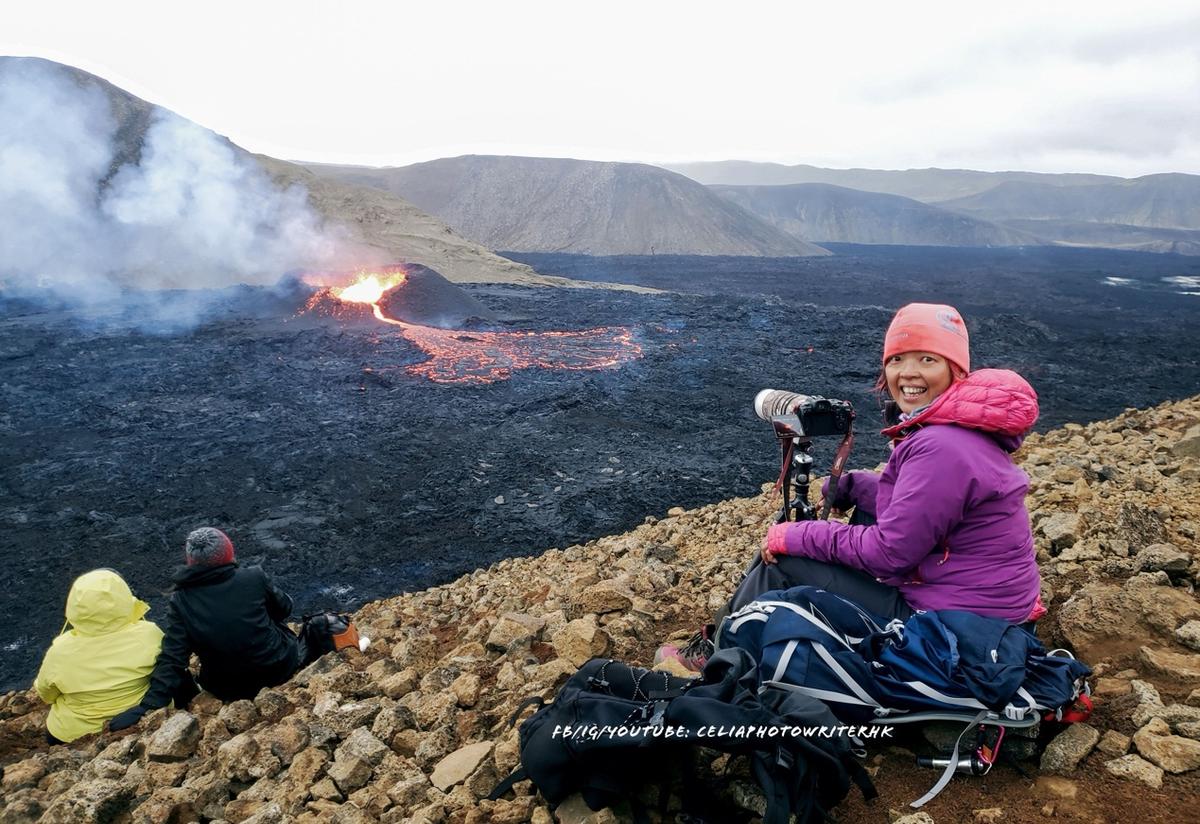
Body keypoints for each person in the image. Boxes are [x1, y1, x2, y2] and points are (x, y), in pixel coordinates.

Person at [659, 302, 1044, 671]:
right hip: (983, 610)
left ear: (955, 370)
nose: (908, 372)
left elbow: (890, 553)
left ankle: (714, 660)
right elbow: (926, 505)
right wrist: (856, 486)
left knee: (784, 565)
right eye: (897, 359)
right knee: (855, 520)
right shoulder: (957, 433)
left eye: (927, 359)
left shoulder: (942, 446)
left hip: (957, 630)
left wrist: (795, 536)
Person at [109, 527, 309, 730]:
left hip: (225, 688)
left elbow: (173, 658)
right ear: (228, 553)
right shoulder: (254, 577)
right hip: (279, 668)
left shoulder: (181, 600)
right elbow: (284, 609)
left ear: (191, 561)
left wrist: (147, 707)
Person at [34, 569, 167, 743]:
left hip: (73, 733)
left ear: (74, 605)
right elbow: (167, 672)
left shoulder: (60, 650)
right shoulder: (149, 633)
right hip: (140, 717)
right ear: (122, 595)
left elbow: (46, 694)